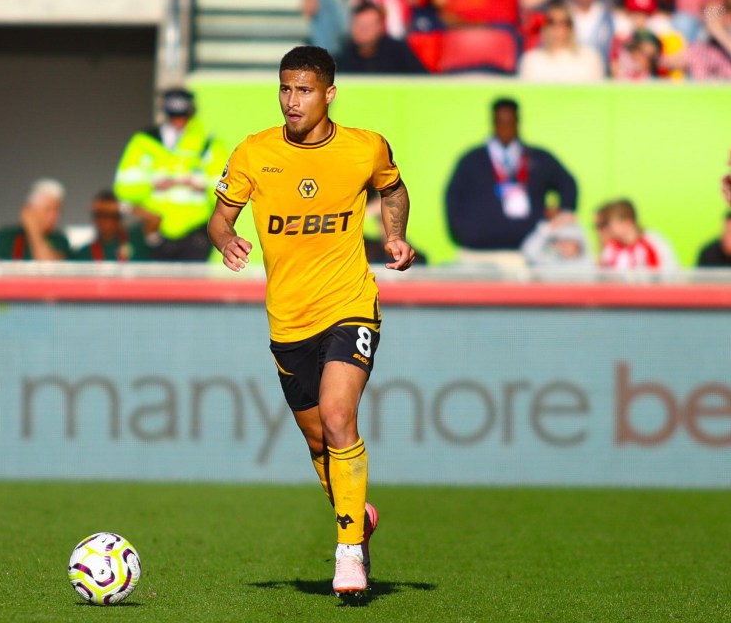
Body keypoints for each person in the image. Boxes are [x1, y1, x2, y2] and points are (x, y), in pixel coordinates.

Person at [207, 45, 414, 596]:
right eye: (284, 88)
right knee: (319, 439)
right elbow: (220, 217)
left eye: (303, 90)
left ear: (328, 93)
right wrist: (228, 241)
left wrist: (393, 234)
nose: (291, 101)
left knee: (339, 413)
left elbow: (392, 187)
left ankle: (349, 552)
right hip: (288, 319)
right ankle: (356, 516)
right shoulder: (254, 153)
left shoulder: (363, 147)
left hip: (349, 303)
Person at [445, 97, 578, 253]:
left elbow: (568, 185)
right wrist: (466, 233)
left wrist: (560, 218)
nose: (505, 127)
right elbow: (453, 198)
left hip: (531, 250)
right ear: (493, 123)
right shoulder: (472, 160)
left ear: (517, 122)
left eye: (510, 121)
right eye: (501, 121)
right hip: (481, 251)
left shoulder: (539, 158)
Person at [114, 88, 229, 262]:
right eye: (173, 116)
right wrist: (154, 183)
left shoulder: (208, 143)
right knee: (155, 287)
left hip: (196, 232)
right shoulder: (144, 141)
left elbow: (226, 190)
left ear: (192, 112)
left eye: (183, 116)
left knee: (192, 288)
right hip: (155, 228)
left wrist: (200, 184)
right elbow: (124, 187)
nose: (178, 122)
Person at [517, 0, 605, 81]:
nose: (558, 28)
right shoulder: (531, 60)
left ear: (571, 27)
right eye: (552, 22)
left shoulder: (589, 59)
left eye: (564, 22)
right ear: (545, 27)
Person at [0, 178, 71, 261]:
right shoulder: (6, 237)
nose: (55, 216)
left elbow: (50, 267)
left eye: (57, 210)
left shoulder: (59, 239)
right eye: (48, 210)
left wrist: (34, 232)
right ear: (30, 210)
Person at [337, 1, 429, 73]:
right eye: (358, 25)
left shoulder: (399, 52)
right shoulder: (342, 57)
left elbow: (423, 81)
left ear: (380, 27)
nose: (363, 30)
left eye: (368, 25)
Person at [72, 190, 153, 262]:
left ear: (119, 218)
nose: (104, 220)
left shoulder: (135, 237)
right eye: (99, 215)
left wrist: (123, 207)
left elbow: (155, 220)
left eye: (110, 215)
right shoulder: (85, 252)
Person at [597, 198, 678, 271]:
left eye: (609, 224)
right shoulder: (612, 248)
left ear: (627, 222)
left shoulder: (652, 243)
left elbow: (664, 275)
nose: (608, 228)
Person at [520, 210, 592, 269]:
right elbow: (529, 252)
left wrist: (577, 223)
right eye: (562, 241)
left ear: (578, 244)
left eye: (570, 240)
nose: (566, 245)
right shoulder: (549, 260)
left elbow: (587, 244)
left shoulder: (586, 263)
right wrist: (550, 227)